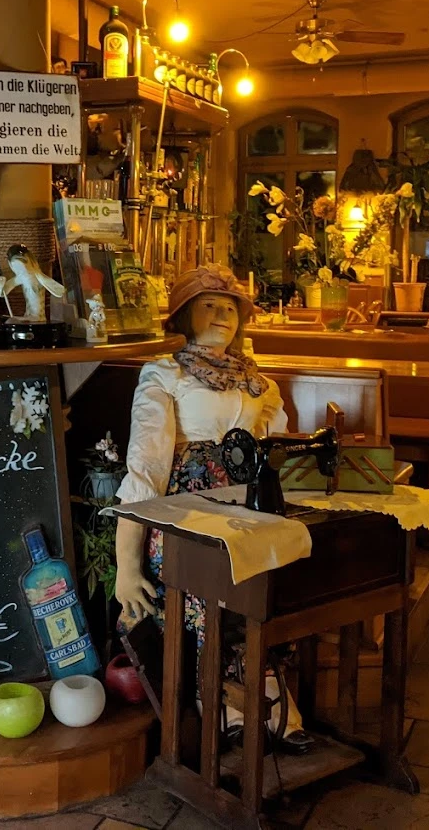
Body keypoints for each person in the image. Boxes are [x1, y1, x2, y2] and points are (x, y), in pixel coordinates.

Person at [114, 263, 286, 635]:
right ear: (183, 315)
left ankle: (245, 667)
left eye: (231, 307)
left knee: (251, 606)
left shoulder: (255, 381)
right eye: (208, 305)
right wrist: (126, 567)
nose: (222, 314)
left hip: (244, 509)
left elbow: (272, 443)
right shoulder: (166, 374)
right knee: (199, 611)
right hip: (188, 514)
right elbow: (146, 465)